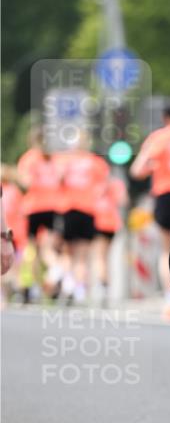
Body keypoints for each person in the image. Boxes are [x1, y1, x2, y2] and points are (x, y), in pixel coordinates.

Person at [130, 104, 170, 318]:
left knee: (166, 250)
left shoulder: (157, 138)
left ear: (165, 118)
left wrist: (153, 166)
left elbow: (137, 170)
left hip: (165, 195)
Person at [55, 135, 109, 304]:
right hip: (87, 210)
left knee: (67, 252)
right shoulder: (96, 162)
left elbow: (57, 181)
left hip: (70, 208)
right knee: (82, 255)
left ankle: (69, 284)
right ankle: (79, 290)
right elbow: (104, 186)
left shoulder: (64, 160)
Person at [16, 127, 63, 301]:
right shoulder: (54, 158)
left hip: (33, 207)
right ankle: (54, 270)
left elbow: (26, 182)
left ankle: (29, 285)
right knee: (47, 248)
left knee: (31, 247)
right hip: (52, 207)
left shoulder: (29, 158)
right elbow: (60, 180)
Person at [92, 173, 128, 304]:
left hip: (99, 221)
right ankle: (105, 286)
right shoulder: (117, 183)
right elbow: (123, 200)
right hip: (113, 223)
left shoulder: (96, 183)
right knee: (106, 256)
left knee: (99, 256)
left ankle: (103, 286)